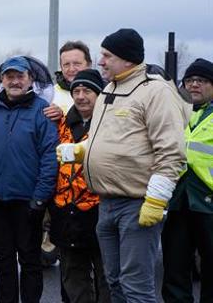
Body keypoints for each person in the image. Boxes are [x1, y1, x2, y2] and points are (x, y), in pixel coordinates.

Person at [77, 28, 189, 302]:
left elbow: (171, 151)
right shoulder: (109, 90)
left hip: (137, 204)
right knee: (114, 281)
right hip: (106, 202)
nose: (100, 61)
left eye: (107, 55)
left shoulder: (156, 91)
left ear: (127, 59)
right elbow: (115, 138)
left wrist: (156, 200)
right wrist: (82, 150)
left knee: (136, 287)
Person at [0, 56, 59, 303]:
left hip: (27, 202)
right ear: (2, 80)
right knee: (3, 261)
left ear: (30, 79)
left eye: (20, 76)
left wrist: (40, 198)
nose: (15, 81)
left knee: (30, 261)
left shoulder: (43, 110)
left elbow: (49, 157)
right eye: (9, 76)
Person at [49, 69, 110, 303]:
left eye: (87, 91)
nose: (81, 96)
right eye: (76, 91)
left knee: (107, 276)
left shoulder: (110, 123)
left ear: (99, 94)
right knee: (73, 277)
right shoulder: (60, 122)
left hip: (99, 208)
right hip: (66, 210)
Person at [162, 58, 213, 301]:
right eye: (190, 80)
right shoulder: (174, 113)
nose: (194, 85)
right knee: (175, 269)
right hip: (177, 200)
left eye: (201, 81)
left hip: (209, 202)